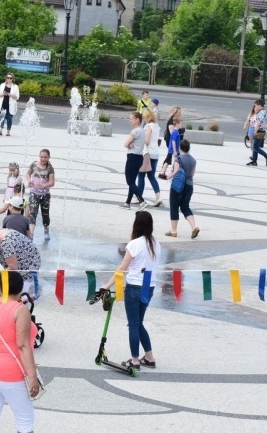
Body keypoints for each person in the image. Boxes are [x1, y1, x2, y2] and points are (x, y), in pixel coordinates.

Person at [0, 271, 40, 433]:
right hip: (11, 372)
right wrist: (32, 376)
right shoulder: (20, 310)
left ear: (0, 287)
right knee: (25, 420)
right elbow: (23, 345)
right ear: (20, 288)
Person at [99, 210, 159, 370]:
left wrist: (106, 286)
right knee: (139, 323)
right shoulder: (155, 243)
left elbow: (122, 269)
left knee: (133, 324)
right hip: (149, 285)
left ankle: (134, 360)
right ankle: (149, 357)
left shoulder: (134, 244)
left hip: (135, 286)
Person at [0, 229, 41, 296]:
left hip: (27, 261)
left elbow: (12, 267)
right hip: (10, 257)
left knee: (19, 294)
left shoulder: (7, 243)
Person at [162, 139, 199, 238]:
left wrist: (168, 176)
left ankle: (173, 231)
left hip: (178, 186)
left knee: (174, 207)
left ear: (180, 148)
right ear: (189, 148)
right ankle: (194, 227)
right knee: (185, 207)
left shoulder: (178, 159)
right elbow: (192, 174)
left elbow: (176, 172)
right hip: (189, 185)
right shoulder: (193, 160)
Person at [121, 112, 149, 210]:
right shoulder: (142, 131)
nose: (130, 121)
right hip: (139, 158)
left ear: (137, 120)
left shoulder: (135, 131)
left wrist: (129, 145)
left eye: (131, 119)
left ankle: (141, 201)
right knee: (132, 181)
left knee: (130, 181)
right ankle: (127, 203)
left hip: (132, 157)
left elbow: (125, 144)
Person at [26, 149, 55, 240]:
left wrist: (44, 185)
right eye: (41, 157)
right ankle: (31, 234)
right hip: (34, 193)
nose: (43, 159)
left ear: (49, 157)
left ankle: (46, 231)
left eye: (45, 157)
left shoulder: (50, 168)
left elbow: (52, 182)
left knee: (45, 214)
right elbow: (28, 173)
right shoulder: (34, 164)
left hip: (45, 195)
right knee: (33, 213)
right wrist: (29, 180)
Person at [137, 110, 163, 207]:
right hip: (155, 153)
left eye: (144, 117)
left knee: (141, 175)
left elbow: (147, 141)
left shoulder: (148, 126)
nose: (143, 119)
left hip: (147, 153)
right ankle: (158, 196)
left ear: (147, 117)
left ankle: (139, 197)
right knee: (151, 176)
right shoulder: (156, 125)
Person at [245, 100, 267, 167]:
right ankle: (254, 161)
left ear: (260, 106)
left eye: (256, 105)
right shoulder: (264, 112)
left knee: (255, 147)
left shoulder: (261, 113)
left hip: (259, 131)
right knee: (255, 146)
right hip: (261, 131)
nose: (255, 107)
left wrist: (255, 132)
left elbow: (258, 124)